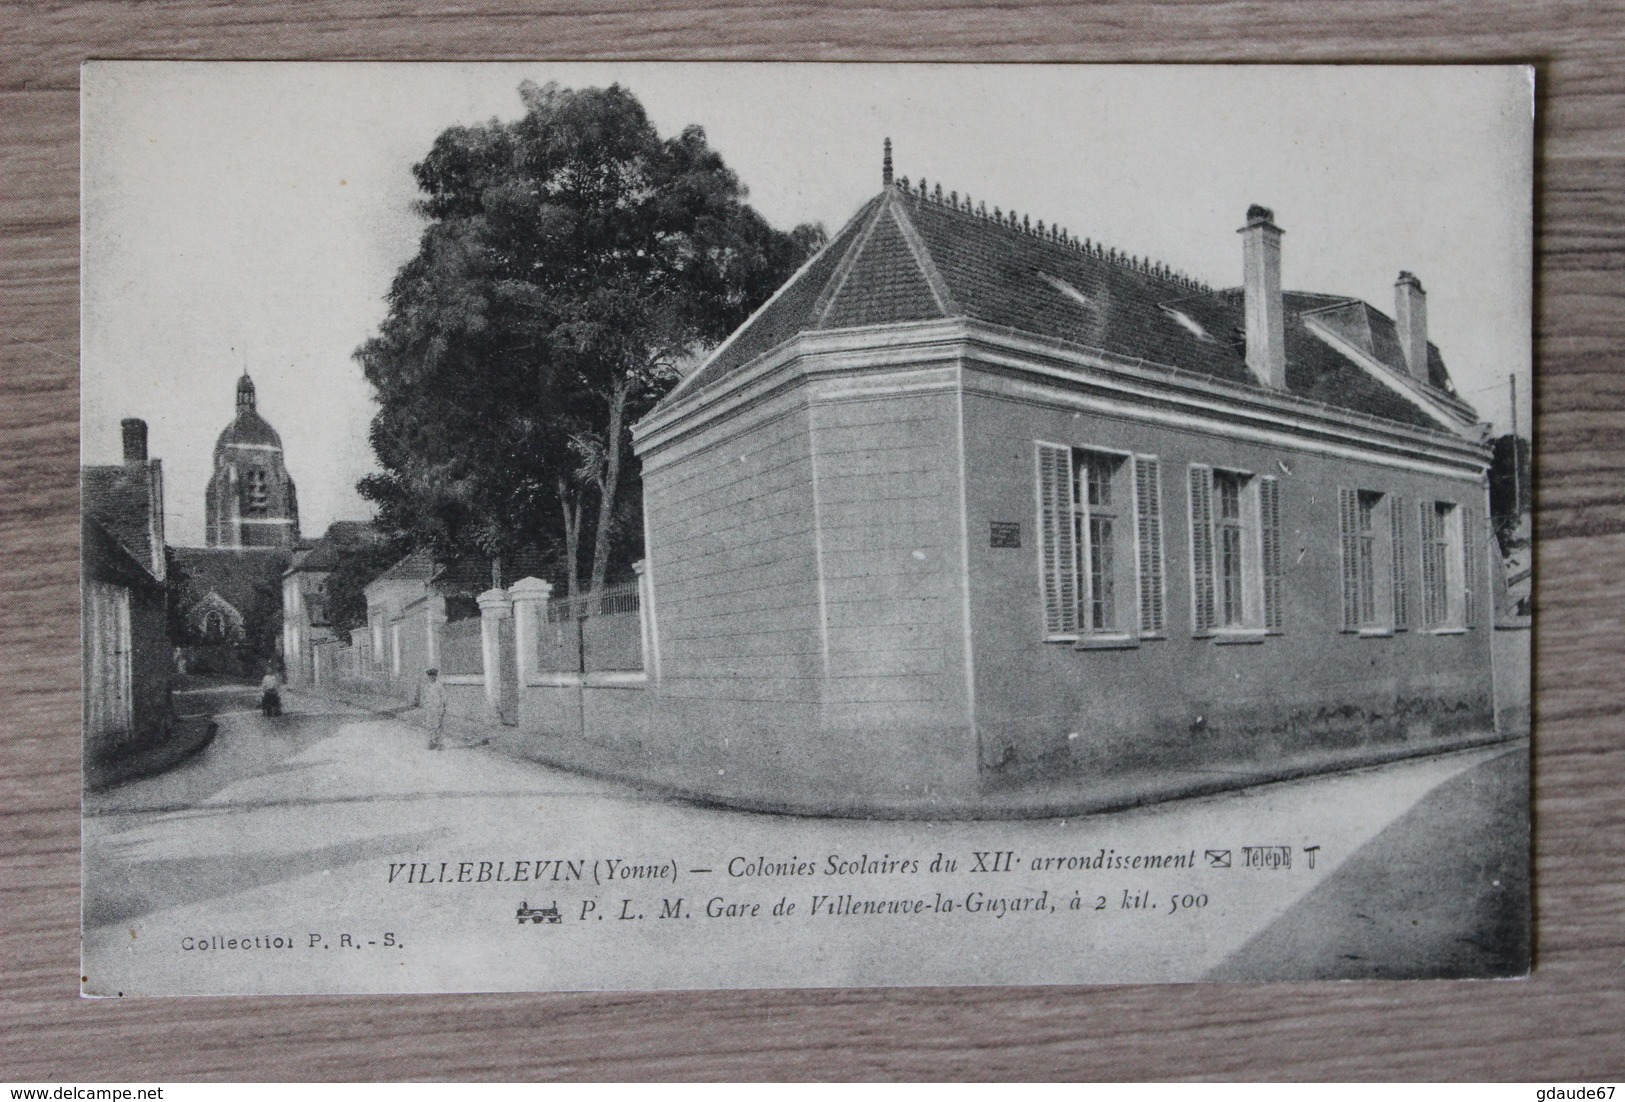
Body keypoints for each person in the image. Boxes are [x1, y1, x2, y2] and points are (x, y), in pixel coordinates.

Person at [419, 668, 448, 750]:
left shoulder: (439, 686)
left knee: (438, 726)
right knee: (430, 726)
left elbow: (444, 697)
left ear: (435, 676)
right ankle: (431, 742)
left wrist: (443, 707)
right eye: (429, 676)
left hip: (438, 708)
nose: (431, 678)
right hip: (430, 708)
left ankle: (440, 744)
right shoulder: (427, 686)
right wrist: (425, 704)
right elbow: (425, 696)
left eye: (433, 676)